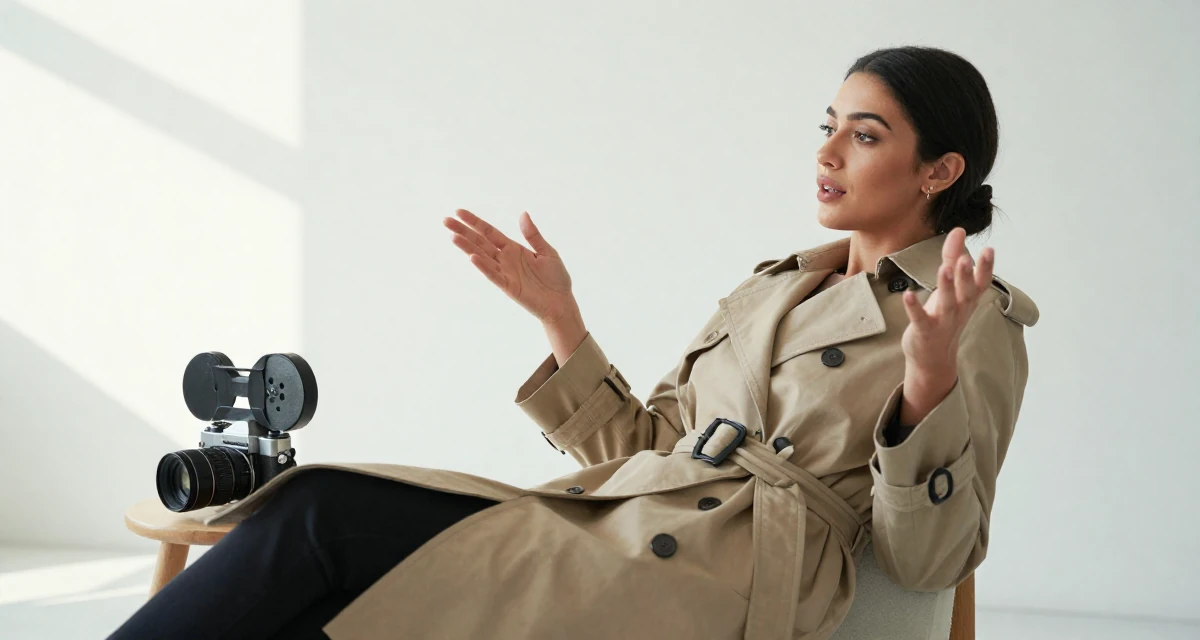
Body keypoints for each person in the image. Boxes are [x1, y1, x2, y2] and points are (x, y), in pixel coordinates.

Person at [109, 45, 1038, 640]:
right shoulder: (774, 286)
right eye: (827, 127)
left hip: (734, 580)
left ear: (939, 170)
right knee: (318, 520)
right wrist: (561, 319)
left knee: (325, 524)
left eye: (864, 136)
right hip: (627, 523)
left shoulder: (967, 314)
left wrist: (925, 388)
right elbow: (652, 449)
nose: (827, 152)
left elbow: (931, 562)